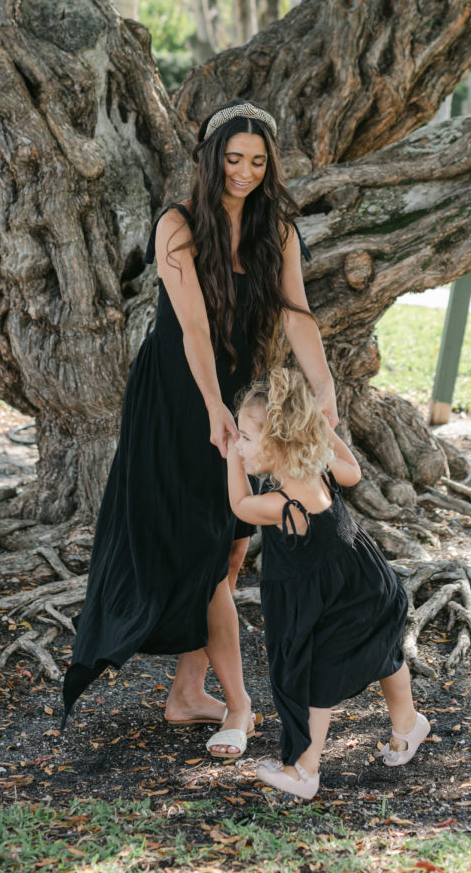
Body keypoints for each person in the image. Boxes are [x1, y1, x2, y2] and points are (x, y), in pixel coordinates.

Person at [61, 100, 338, 759]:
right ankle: (240, 704)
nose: (243, 172)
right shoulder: (178, 226)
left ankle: (188, 691)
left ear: (268, 167)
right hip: (179, 398)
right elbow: (191, 329)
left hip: (237, 394)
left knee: (234, 546)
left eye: (256, 161)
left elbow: (298, 316)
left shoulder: (279, 232)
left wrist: (326, 390)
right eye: (233, 159)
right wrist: (213, 405)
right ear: (212, 160)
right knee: (211, 549)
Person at [226, 367, 430, 798]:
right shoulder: (316, 463)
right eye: (238, 437)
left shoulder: (284, 502)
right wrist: (320, 429)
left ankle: (304, 772)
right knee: (385, 655)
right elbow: (353, 470)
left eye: (245, 436)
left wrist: (229, 455)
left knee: (314, 681)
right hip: (366, 587)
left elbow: (242, 505)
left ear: (278, 442)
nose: (240, 443)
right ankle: (408, 724)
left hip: (344, 597)